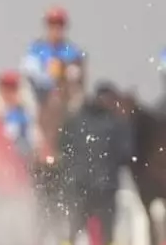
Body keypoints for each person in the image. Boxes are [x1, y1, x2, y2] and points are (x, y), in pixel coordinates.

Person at [58, 81, 133, 245]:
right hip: (104, 188)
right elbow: (126, 153)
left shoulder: (76, 120)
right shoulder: (117, 124)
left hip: (78, 185)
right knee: (106, 232)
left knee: (72, 229)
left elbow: (63, 146)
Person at [19, 5, 86, 104]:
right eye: (52, 25)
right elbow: (29, 71)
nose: (56, 29)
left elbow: (75, 73)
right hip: (39, 93)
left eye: (59, 25)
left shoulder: (71, 50)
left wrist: (63, 71)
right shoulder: (36, 48)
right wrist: (50, 76)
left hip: (63, 93)